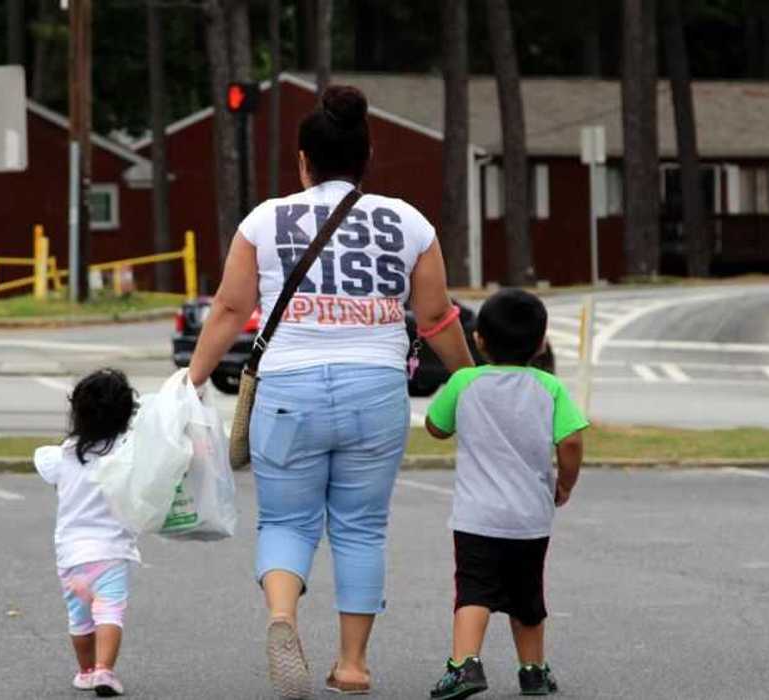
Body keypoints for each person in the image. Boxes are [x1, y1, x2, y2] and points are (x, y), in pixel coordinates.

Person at [187, 85, 474, 699]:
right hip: (376, 389)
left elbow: (232, 307)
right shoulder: (409, 222)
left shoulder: (264, 220)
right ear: (367, 157)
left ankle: (283, 618)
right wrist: (471, 378)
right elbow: (435, 318)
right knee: (362, 528)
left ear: (302, 160)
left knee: (287, 520)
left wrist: (191, 379)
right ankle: (353, 664)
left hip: (289, 388)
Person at [423, 289, 588, 699]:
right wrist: (565, 482)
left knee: (474, 591)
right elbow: (570, 441)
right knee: (527, 596)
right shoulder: (550, 388)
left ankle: (464, 665)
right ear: (539, 342)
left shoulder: (465, 382)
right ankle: (532, 670)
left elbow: (435, 426)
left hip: (477, 516)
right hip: (531, 518)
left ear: (479, 339)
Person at [34, 369, 140, 697]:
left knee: (80, 620)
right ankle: (106, 670)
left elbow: (43, 463)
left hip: (71, 557)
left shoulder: (63, 454)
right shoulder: (127, 451)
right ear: (126, 414)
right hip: (111, 552)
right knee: (110, 613)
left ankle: (85, 671)